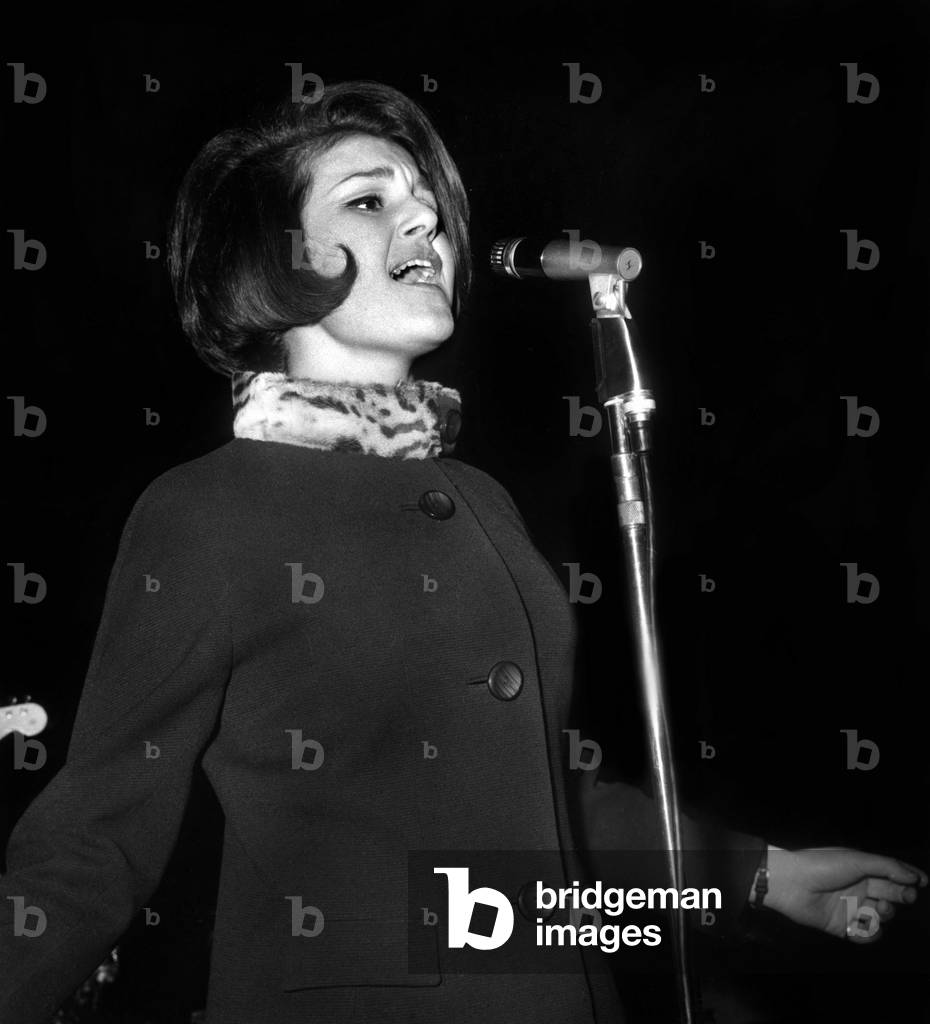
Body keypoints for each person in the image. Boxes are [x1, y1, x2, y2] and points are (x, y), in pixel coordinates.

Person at [0, 80, 925, 1024]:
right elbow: (98, 829)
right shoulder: (204, 510)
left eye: (430, 210)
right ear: (269, 258)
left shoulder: (480, 499)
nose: (426, 227)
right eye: (370, 201)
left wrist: (761, 876)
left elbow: (538, 827)